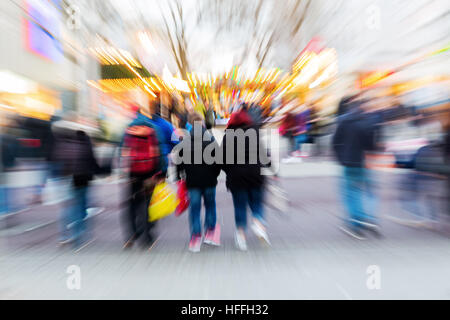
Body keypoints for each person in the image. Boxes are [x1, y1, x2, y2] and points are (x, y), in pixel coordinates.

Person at [221, 108, 270, 251]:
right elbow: (265, 156)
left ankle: (241, 237)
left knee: (240, 206)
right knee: (257, 204)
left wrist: (229, 170)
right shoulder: (255, 133)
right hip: (255, 174)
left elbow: (221, 159)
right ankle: (258, 224)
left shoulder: (228, 136)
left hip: (237, 177)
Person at [120, 104, 166, 249]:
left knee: (132, 205)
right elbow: (160, 152)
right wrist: (162, 172)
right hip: (150, 174)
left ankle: (131, 235)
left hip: (133, 174)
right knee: (148, 205)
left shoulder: (128, 130)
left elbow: (122, 151)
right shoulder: (154, 129)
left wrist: (123, 173)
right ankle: (147, 238)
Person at [332, 98, 380, 240]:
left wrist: (340, 158)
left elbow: (335, 142)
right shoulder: (368, 121)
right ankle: (370, 218)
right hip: (365, 162)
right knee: (369, 191)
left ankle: (356, 223)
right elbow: (372, 145)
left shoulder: (343, 121)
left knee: (351, 193)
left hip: (348, 162)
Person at [175, 112, 221, 252]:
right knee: (210, 206)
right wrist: (215, 174)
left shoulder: (185, 140)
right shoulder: (210, 139)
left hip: (192, 181)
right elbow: (218, 161)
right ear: (201, 123)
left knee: (194, 210)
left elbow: (179, 161)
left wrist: (180, 176)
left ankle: (195, 238)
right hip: (209, 181)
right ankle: (210, 233)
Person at [52, 124, 101, 248]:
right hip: (84, 179)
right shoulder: (87, 145)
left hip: (70, 179)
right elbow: (93, 162)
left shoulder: (67, 145)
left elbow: (59, 160)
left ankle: (64, 236)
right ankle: (78, 235)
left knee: (69, 207)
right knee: (81, 206)